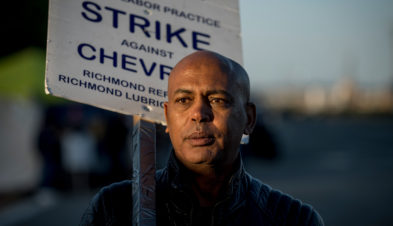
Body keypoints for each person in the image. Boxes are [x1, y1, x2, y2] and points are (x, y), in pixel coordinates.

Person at [80, 51, 324, 225]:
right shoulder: (114, 208)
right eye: (184, 101)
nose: (198, 114)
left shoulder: (292, 218)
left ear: (249, 119)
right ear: (167, 117)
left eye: (217, 100)